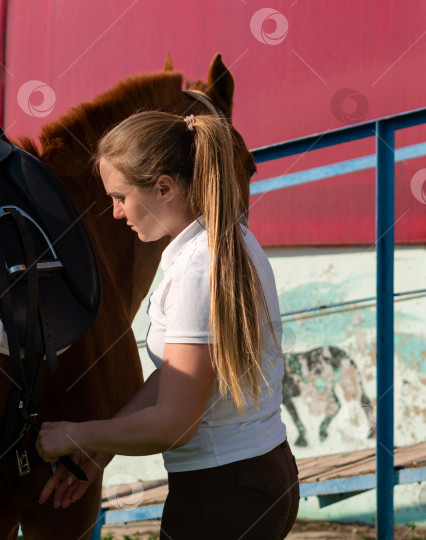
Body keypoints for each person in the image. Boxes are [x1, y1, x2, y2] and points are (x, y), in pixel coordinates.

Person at [35, 111, 299, 539]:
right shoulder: (230, 239)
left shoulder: (199, 269)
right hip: (259, 477)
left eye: (121, 196)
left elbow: (174, 423)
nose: (116, 212)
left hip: (220, 495)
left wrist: (73, 435)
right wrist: (101, 447)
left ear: (164, 187)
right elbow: (178, 375)